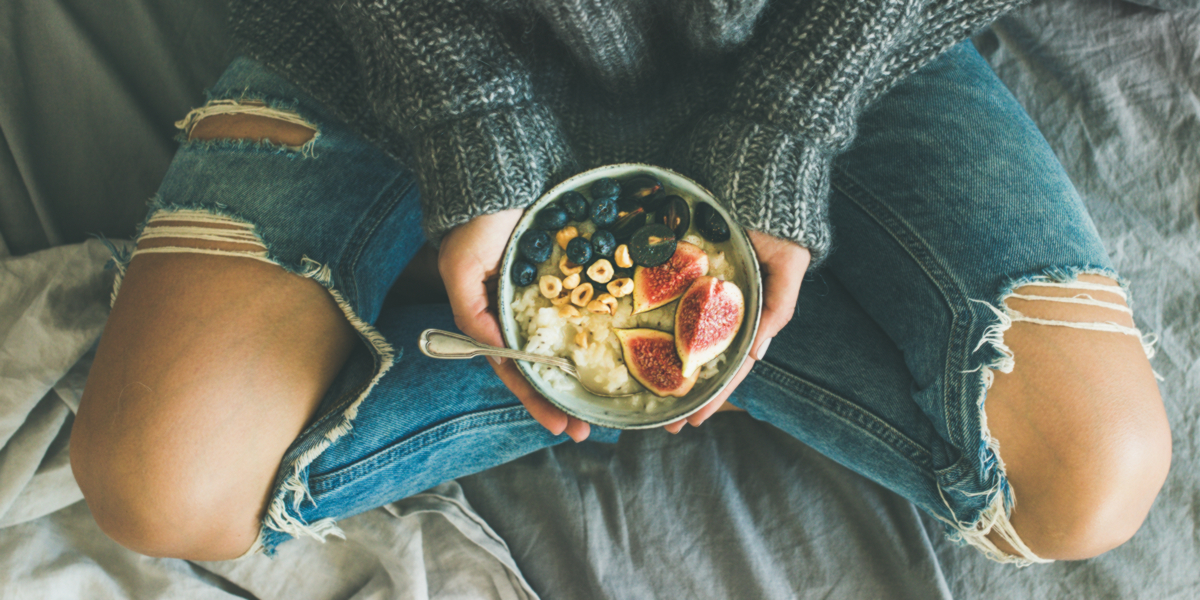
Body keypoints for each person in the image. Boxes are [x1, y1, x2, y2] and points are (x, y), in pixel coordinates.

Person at [69, 0, 1170, 567]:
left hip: (827, 41)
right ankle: (636, 344)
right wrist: (468, 123)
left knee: (1086, 481)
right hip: (391, 45)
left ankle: (647, 337)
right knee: (160, 486)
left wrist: (792, 118)